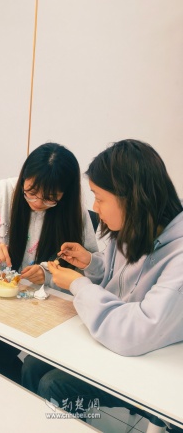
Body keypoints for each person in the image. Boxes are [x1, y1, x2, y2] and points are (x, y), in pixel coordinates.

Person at [22, 140, 183, 426]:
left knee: (53, 385)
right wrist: (90, 263)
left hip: (149, 359)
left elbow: (137, 331)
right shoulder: (137, 226)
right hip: (113, 340)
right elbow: (115, 280)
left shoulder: (178, 255)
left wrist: (77, 284)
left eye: (99, 198)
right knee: (34, 364)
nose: (95, 207)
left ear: (130, 198)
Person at [0, 142, 98, 383]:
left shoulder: (73, 213)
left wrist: (49, 275)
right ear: (24, 178)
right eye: (31, 192)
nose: (37, 203)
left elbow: (90, 269)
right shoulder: (2, 192)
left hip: (45, 307)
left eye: (50, 199)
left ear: (65, 193)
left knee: (37, 367)